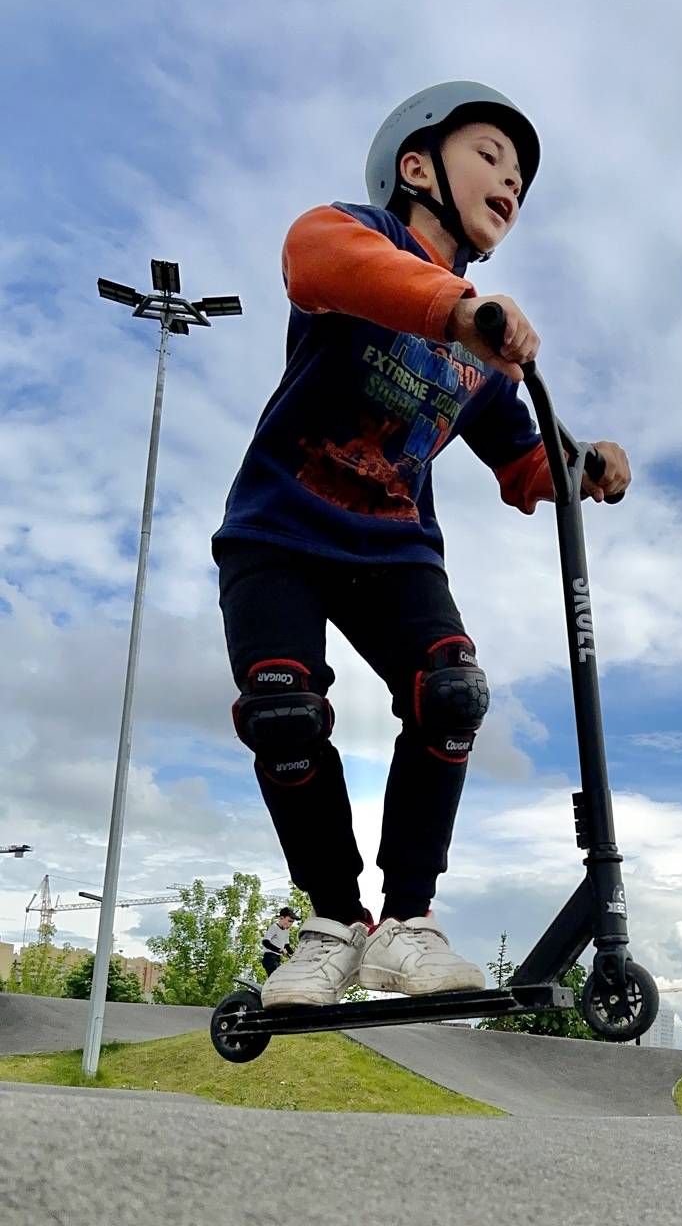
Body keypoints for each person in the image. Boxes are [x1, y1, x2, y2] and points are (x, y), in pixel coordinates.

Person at [212, 81, 631, 1010]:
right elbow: (312, 257)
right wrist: (455, 309)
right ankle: (333, 924)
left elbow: (524, 465)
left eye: (520, 179)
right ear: (417, 167)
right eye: (490, 157)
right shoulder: (362, 242)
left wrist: (585, 465)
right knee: (283, 711)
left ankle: (406, 922)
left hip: (393, 550)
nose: (510, 184)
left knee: (452, 691)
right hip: (277, 530)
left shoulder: (486, 352)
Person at [260, 907, 297, 978]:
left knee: (284, 974)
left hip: (277, 959)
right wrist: (279, 950)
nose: (290, 924)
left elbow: (286, 945)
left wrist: (294, 955)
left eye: (292, 922)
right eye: (289, 921)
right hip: (269, 958)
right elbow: (265, 942)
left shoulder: (286, 930)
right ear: (281, 918)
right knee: (278, 974)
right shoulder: (274, 927)